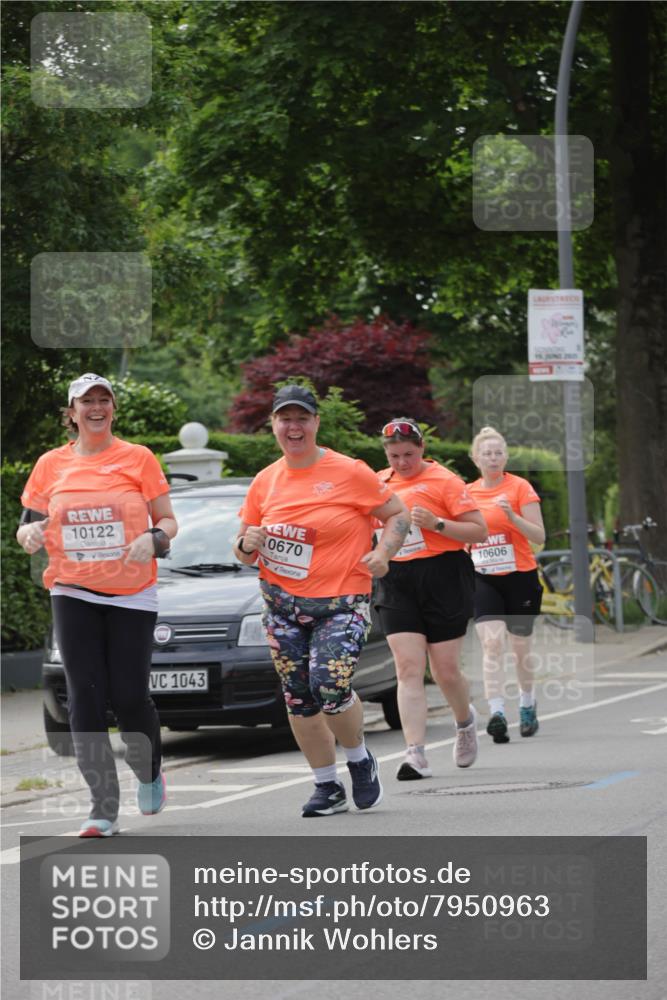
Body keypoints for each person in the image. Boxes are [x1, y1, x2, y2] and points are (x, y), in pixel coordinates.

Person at [234, 385, 409, 818]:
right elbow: (241, 551)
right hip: (281, 605)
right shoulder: (265, 481)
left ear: (315, 423)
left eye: (302, 418)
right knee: (298, 697)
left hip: (341, 601)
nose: (293, 427)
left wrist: (384, 552)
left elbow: (398, 514)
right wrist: (245, 542)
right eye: (284, 419)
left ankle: (359, 759)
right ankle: (326, 786)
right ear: (273, 425)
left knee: (329, 687)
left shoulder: (350, 471)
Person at [16, 373, 178, 837]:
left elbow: (167, 519)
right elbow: (29, 525)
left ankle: (149, 773)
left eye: (104, 399)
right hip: (72, 588)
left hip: (132, 593)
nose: (96, 407)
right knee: (82, 697)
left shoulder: (138, 458)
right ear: (71, 412)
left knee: (128, 697)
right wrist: (28, 534)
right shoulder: (51, 464)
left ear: (112, 408)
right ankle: (102, 807)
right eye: (86, 401)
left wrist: (155, 538)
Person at [375, 418, 488, 780]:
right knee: (407, 668)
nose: (402, 463)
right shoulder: (378, 484)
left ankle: (465, 722)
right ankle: (415, 754)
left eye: (409, 454)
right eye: (394, 456)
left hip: (443, 574)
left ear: (422, 449)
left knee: (445, 670)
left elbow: (479, 531)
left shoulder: (445, 481)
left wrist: (437, 524)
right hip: (397, 579)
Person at [468, 427, 545, 743]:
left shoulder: (520, 487)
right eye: (487, 453)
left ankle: (527, 703)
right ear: (476, 458)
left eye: (498, 452)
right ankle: (497, 712)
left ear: (506, 456)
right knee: (492, 644)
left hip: (520, 576)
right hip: (483, 577)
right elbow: (462, 535)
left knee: (520, 650)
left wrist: (511, 516)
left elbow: (539, 536)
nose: (493, 458)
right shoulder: (466, 492)